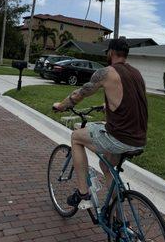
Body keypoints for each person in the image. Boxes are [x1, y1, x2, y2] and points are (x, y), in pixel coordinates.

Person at [53, 38, 148, 209]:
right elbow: (129, 99)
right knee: (105, 165)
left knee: (76, 137)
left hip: (119, 137)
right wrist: (109, 106)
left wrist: (61, 106)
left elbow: (79, 94)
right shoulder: (136, 73)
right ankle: (119, 220)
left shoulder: (106, 72)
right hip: (138, 138)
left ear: (111, 52)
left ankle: (83, 194)